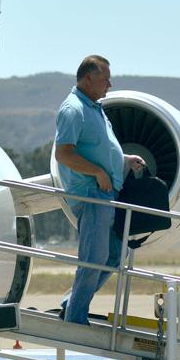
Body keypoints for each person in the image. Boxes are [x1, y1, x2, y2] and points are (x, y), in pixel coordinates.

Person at [54, 55, 145, 325]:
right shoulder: (73, 110)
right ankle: (75, 319)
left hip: (106, 194)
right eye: (105, 79)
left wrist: (123, 160)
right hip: (91, 194)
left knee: (115, 255)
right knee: (93, 259)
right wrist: (97, 172)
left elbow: (99, 148)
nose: (110, 84)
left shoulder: (94, 108)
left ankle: (72, 303)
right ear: (88, 78)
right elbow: (63, 154)